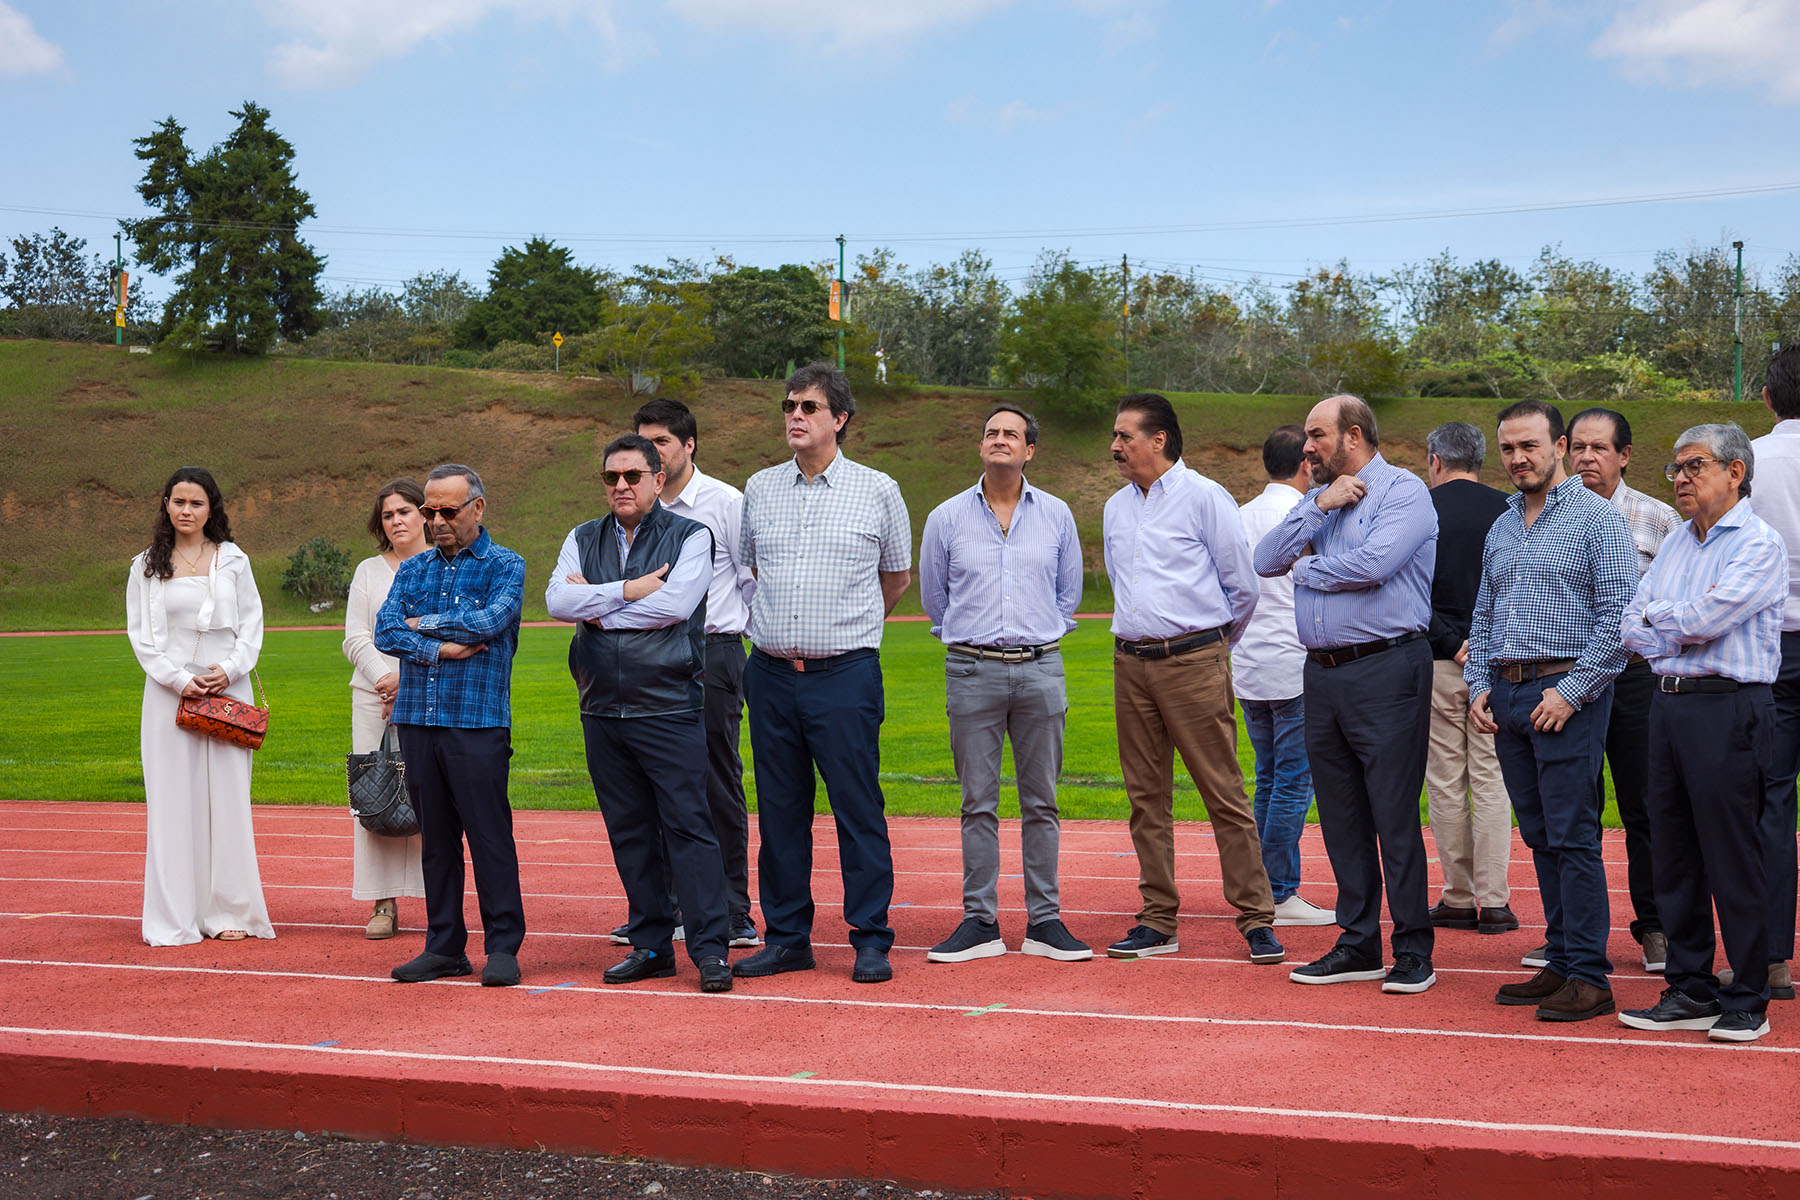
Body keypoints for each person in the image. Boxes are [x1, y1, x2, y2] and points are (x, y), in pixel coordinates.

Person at [733, 363, 912, 984]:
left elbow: (895, 579)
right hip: (773, 675)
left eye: (809, 406)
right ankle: (787, 938)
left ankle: (870, 936)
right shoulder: (759, 488)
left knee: (857, 808)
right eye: (789, 406)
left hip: (845, 676)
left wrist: (845, 631)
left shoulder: (879, 489)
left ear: (840, 418)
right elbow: (748, 570)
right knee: (780, 813)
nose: (795, 416)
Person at [1254, 394, 1438, 994]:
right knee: (1339, 817)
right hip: (1322, 674)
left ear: (1352, 435)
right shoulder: (1318, 500)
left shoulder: (1404, 492)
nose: (1306, 448)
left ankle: (1412, 948)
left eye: (1317, 435)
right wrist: (1317, 511)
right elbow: (1264, 560)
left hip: (1386, 669)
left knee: (1392, 815)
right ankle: (1359, 942)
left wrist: (1307, 571)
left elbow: (1374, 565)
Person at [1469, 401, 1637, 1023]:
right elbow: (1485, 613)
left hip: (1565, 695)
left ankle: (1591, 978)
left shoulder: (1598, 520)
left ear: (1559, 446)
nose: (1518, 459)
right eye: (1508, 448)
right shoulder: (1502, 522)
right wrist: (1479, 685)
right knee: (1539, 835)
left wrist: (1570, 693)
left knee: (1573, 837)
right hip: (1509, 696)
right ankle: (1562, 960)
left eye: (1530, 446)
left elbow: (1619, 624)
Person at [546, 435, 733, 993]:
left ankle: (710, 951)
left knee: (689, 829)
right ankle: (652, 945)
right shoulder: (581, 537)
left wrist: (598, 605)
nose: (621, 486)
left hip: (669, 704)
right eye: (611, 478)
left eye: (632, 476)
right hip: (601, 707)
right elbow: (557, 602)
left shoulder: (692, 534)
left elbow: (674, 608)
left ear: (658, 478)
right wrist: (629, 591)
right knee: (629, 832)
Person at [1620, 423, 1786, 1043]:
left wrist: (1663, 620)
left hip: (1728, 707)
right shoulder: (1678, 545)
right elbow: (1636, 625)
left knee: (1732, 853)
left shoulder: (1758, 544)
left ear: (1735, 472)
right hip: (1668, 705)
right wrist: (1671, 622)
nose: (1681, 479)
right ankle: (1689, 986)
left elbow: (1709, 617)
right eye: (1676, 469)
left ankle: (1747, 996)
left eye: (1694, 466)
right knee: (1675, 852)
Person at [1104, 393, 1283, 966]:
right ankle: (1157, 919)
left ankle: (1256, 918)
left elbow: (1244, 587)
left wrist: (1209, 650)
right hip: (1129, 664)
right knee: (1144, 798)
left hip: (1193, 662)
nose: (1115, 447)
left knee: (1223, 793)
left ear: (1158, 439)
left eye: (1125, 436)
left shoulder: (1206, 497)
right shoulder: (1115, 508)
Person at [919, 403, 1088, 963]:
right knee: (978, 804)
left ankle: (1045, 921)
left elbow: (1069, 597)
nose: (999, 440)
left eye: (1010, 434)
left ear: (1029, 450)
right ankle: (979, 921)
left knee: (1042, 802)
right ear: (982, 445)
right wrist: (975, 640)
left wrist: (1035, 638)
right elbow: (935, 600)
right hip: (971, 669)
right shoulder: (945, 517)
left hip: (1041, 668)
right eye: (991, 432)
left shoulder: (1058, 515)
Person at [375, 463, 527, 989]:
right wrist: (440, 646)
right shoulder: (413, 570)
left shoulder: (506, 565)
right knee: (436, 841)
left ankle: (503, 946)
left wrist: (420, 626)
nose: (436, 520)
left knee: (489, 838)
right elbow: (384, 631)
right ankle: (444, 946)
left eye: (447, 510)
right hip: (417, 721)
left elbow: (490, 621)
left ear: (477, 508)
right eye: (429, 511)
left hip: (477, 724)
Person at [630, 398, 760, 951]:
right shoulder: (633, 508)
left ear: (689, 446)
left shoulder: (725, 503)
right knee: (653, 787)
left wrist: (730, 643)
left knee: (714, 784)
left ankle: (732, 911)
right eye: (643, 441)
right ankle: (663, 911)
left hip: (711, 654)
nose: (650, 452)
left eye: (660, 441)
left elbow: (753, 578)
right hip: (645, 658)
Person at [126, 466, 273, 947]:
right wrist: (179, 680)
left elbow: (252, 626)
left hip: (229, 689)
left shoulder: (234, 560)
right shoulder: (145, 565)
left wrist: (229, 671)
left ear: (212, 509)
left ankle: (230, 912)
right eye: (178, 501)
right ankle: (177, 917)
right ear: (165, 504)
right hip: (169, 695)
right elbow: (142, 639)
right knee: (172, 803)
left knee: (228, 801)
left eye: (196, 503)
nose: (186, 511)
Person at [1566, 407, 1681, 975]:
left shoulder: (1658, 520)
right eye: (1579, 448)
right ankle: (1573, 937)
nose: (1587, 458)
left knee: (1644, 807)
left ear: (1624, 455)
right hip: (1566, 684)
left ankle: (1656, 927)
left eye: (1600, 449)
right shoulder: (1548, 516)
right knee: (1572, 809)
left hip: (1635, 679)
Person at [1233, 425, 1334, 927]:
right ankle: (1278, 890)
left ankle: (1263, 885)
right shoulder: (1305, 517)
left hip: (1249, 663)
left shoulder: (1240, 514)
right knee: (1293, 781)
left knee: (1269, 777)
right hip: (1293, 663)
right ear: (1305, 464)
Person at [1421, 422, 1515, 937]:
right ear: (1482, 459)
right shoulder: (1510, 510)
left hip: (1437, 659)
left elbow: (1411, 591)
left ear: (1435, 460)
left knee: (1446, 779)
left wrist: (1451, 642)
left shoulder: (1421, 511)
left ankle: (1458, 896)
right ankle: (1495, 900)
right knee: (1490, 778)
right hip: (1498, 662)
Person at [341, 478, 429, 940]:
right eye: (389, 514)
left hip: (432, 692)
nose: (396, 520)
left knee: (432, 797)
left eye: (405, 511)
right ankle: (383, 902)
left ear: (425, 514)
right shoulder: (369, 571)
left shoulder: (443, 565)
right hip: (373, 699)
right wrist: (384, 679)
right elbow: (355, 636)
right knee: (376, 794)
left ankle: (441, 897)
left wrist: (407, 679)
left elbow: (443, 631)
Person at [1747, 344, 1800, 1002]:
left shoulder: (1749, 460)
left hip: (1772, 648)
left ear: (1766, 396)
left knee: (1769, 804)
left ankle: (1770, 959)